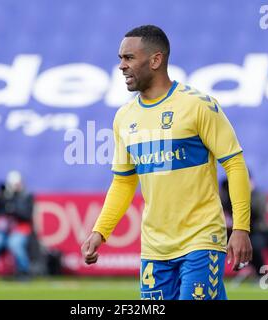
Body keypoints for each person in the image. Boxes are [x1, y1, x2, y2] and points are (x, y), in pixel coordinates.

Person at [81, 25, 252, 300]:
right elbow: (124, 182)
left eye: (128, 58)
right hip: (154, 249)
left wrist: (241, 227)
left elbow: (234, 164)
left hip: (201, 239)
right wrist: (100, 231)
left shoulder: (198, 106)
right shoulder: (124, 117)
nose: (121, 66)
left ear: (156, 60)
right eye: (120, 59)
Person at [220, 174, 268, 279]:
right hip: (237, 231)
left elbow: (257, 212)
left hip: (258, 231)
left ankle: (262, 275)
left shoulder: (259, 195)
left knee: (255, 245)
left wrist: (244, 194)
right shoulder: (230, 197)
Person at [0, 170, 34, 281]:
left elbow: (27, 214)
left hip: (20, 229)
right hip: (3, 231)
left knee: (15, 244)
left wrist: (14, 206)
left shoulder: (26, 196)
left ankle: (24, 273)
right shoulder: (4, 196)